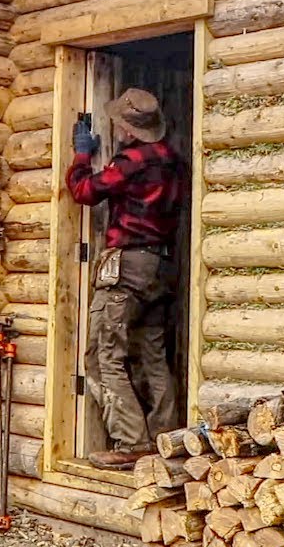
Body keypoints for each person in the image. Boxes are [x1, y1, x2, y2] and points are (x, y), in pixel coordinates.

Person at [66, 87, 184, 470]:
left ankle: (132, 443)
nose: (115, 127)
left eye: (118, 123)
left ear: (130, 130)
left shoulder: (132, 160)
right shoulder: (172, 159)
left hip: (129, 265)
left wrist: (82, 154)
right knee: (153, 354)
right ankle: (166, 437)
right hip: (163, 267)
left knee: (105, 355)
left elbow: (84, 191)